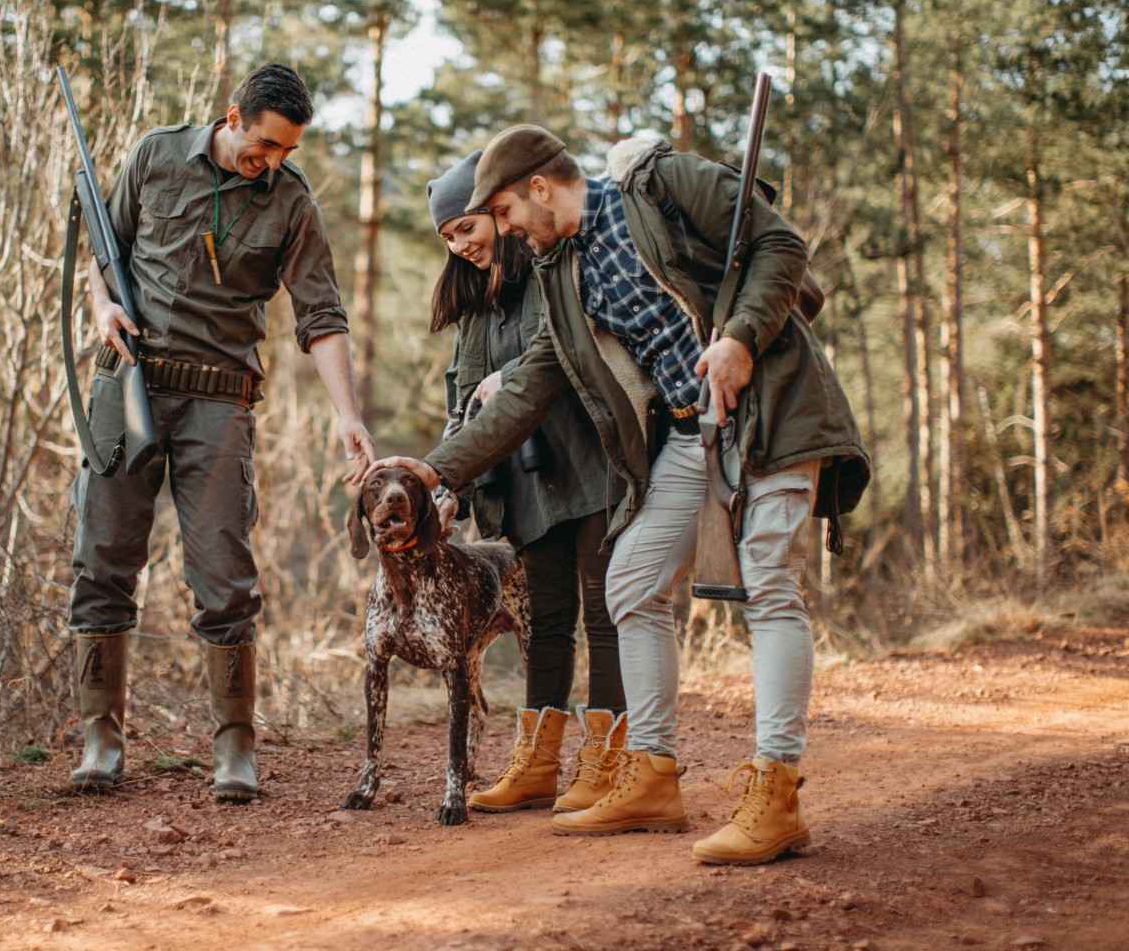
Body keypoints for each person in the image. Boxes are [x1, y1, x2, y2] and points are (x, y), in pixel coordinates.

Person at [373, 125, 870, 865]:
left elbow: (781, 247)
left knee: (766, 583)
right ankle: (653, 775)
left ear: (541, 189)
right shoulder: (560, 271)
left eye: (506, 214)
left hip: (770, 407)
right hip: (683, 432)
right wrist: (436, 471)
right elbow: (535, 383)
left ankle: (776, 791)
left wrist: (736, 337)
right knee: (632, 583)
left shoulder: (662, 187)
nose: (505, 232)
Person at [68, 63, 374, 803]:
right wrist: (102, 307)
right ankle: (100, 737)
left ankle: (235, 747)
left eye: (287, 152)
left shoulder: (292, 204)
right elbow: (101, 256)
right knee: (103, 560)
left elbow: (321, 317)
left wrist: (348, 416)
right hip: (130, 386)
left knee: (224, 575)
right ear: (232, 115)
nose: (271, 161)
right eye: (265, 144)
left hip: (220, 402)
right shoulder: (155, 156)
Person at [425, 152, 628, 817]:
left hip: (590, 464)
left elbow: (571, 354)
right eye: (449, 237)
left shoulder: (550, 266)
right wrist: (449, 477)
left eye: (467, 226)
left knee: (604, 616)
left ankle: (608, 765)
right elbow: (464, 401)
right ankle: (538, 765)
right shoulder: (474, 308)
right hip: (524, 482)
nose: (462, 244)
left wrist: (508, 377)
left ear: (495, 210)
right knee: (544, 625)